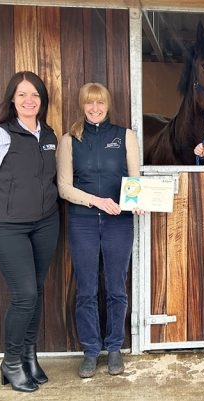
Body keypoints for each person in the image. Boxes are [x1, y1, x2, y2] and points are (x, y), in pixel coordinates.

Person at [0, 71, 59, 393]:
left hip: (46, 222)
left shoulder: (49, 135)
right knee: (25, 296)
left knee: (35, 290)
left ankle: (29, 356)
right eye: (22, 94)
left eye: (34, 94)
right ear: (12, 99)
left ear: (42, 100)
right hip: (8, 227)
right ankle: (11, 362)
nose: (28, 100)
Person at [56, 83, 142, 378]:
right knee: (87, 289)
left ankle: (115, 347)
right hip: (83, 221)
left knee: (117, 287)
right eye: (89, 103)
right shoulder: (70, 140)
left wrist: (137, 202)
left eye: (100, 103)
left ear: (107, 105)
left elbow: (135, 180)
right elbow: (64, 187)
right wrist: (96, 201)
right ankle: (91, 349)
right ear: (82, 105)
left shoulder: (124, 136)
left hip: (118, 220)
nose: (95, 108)